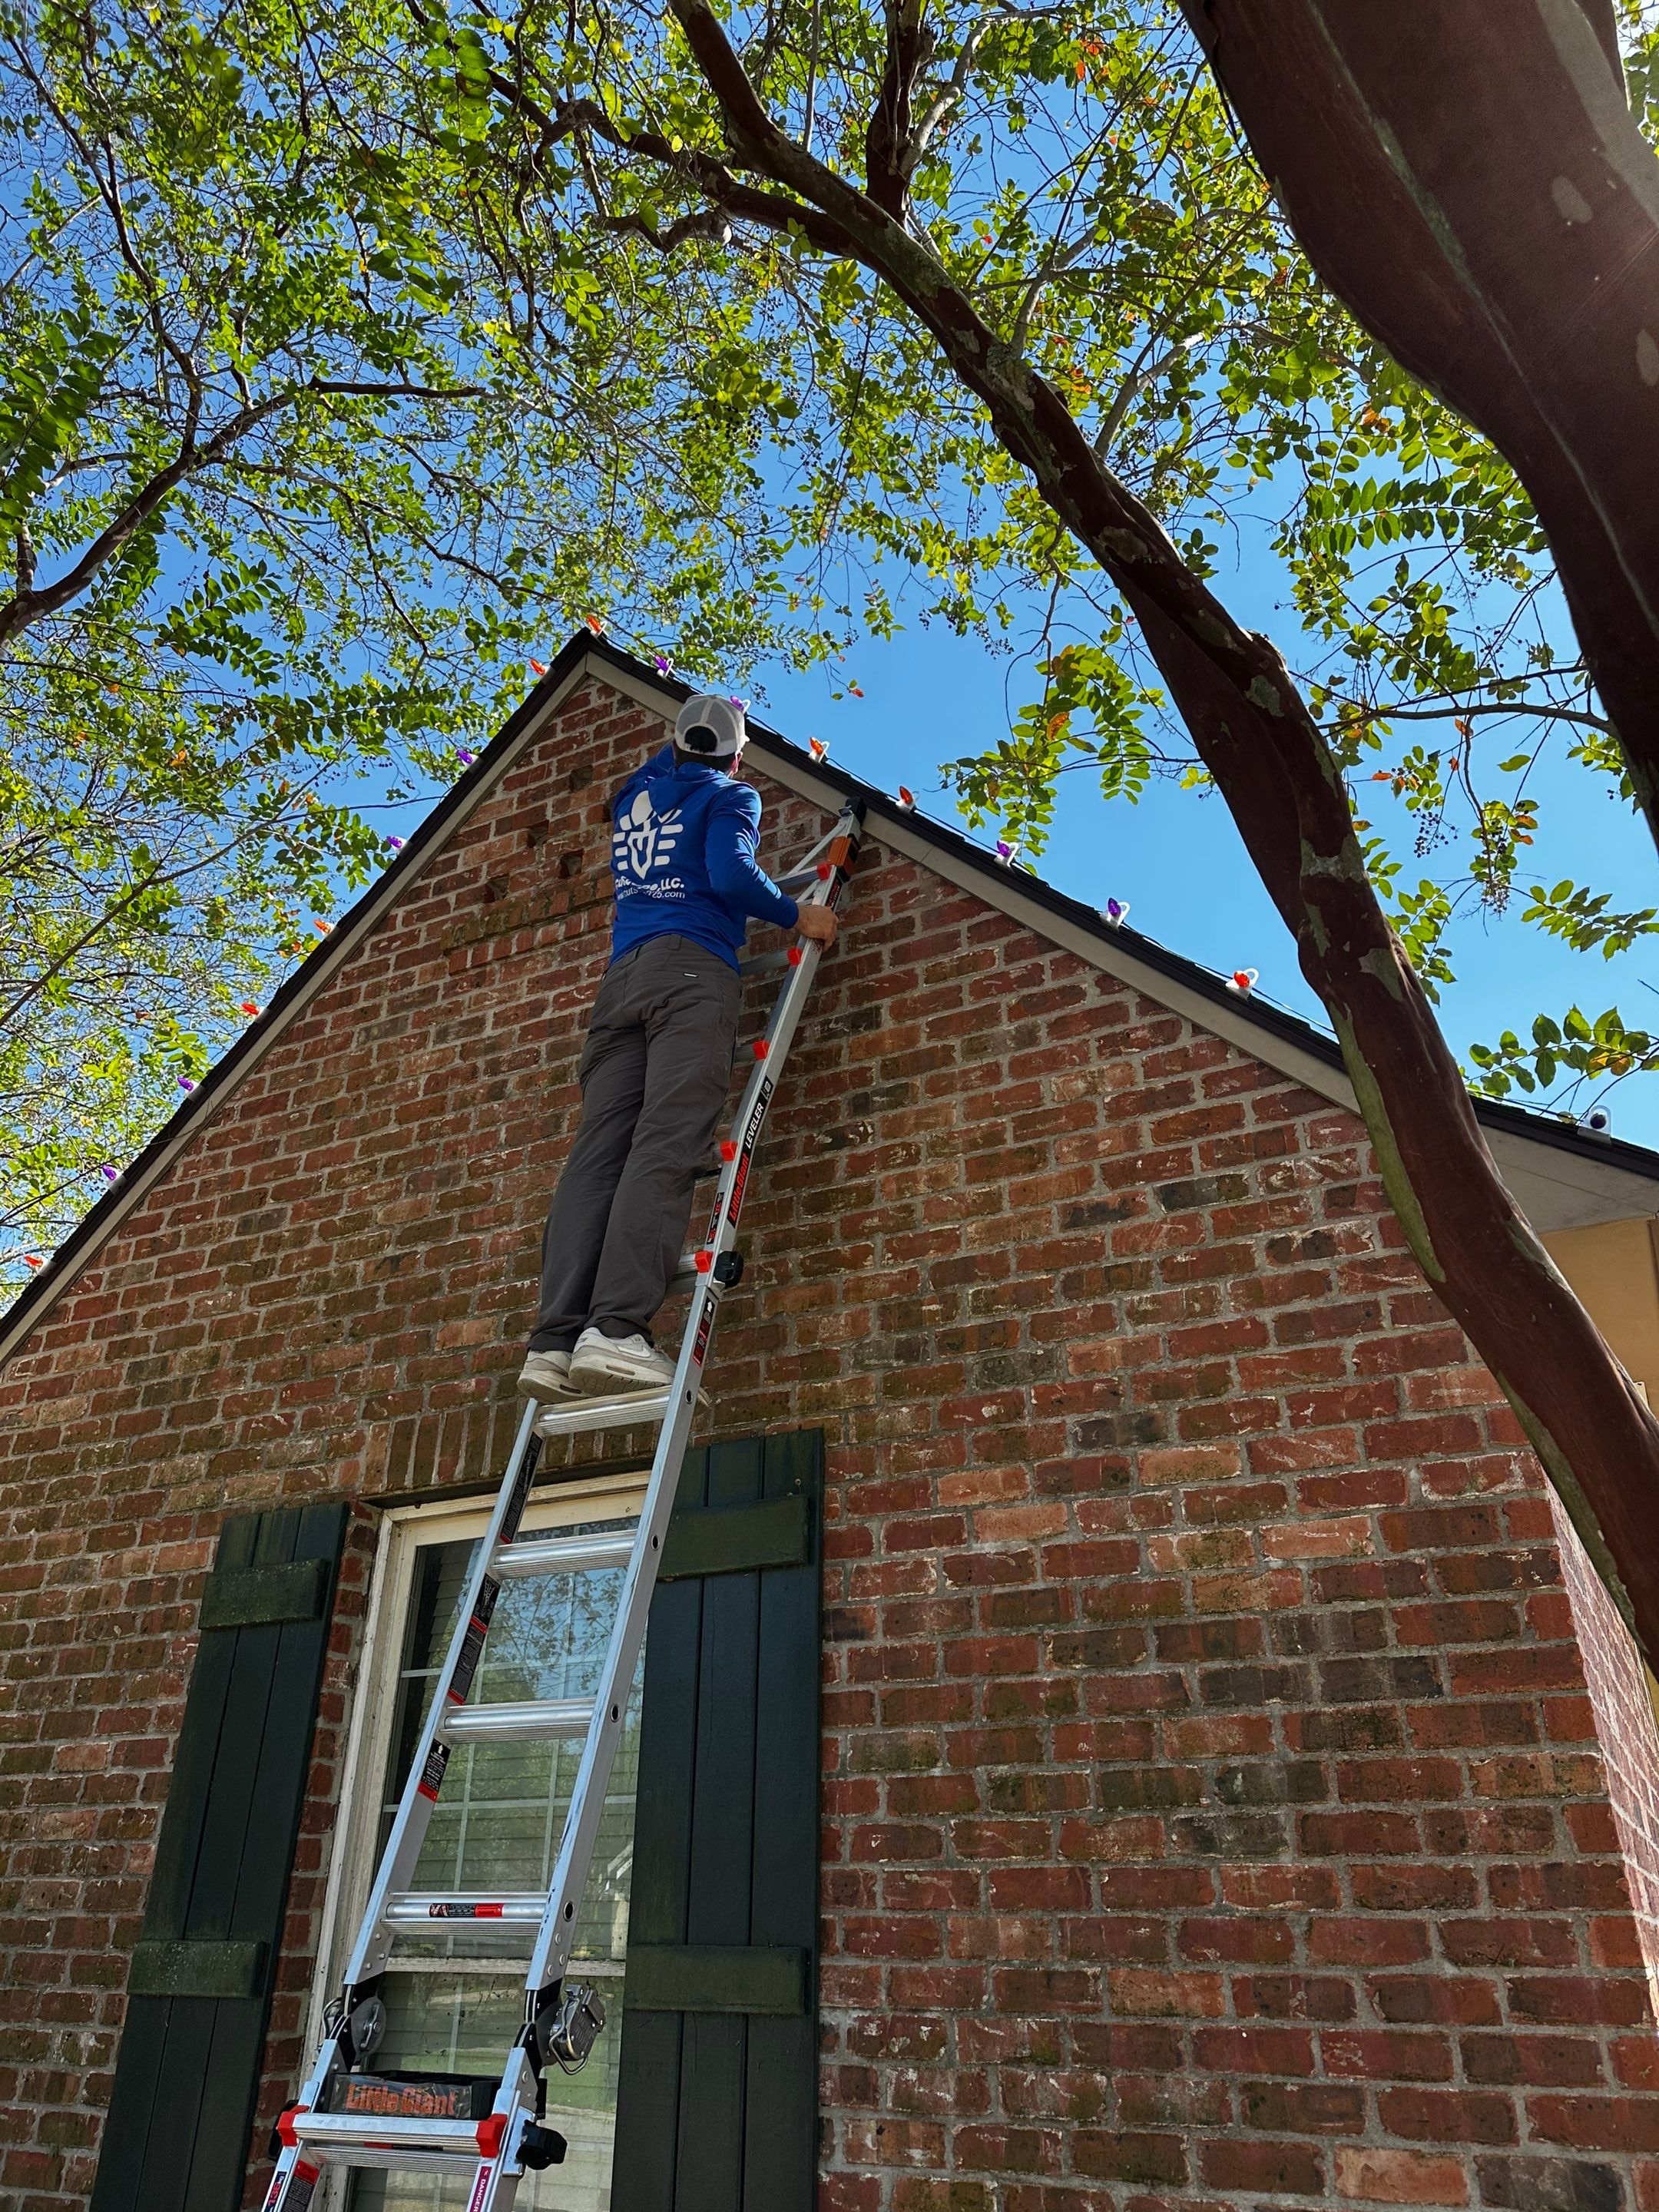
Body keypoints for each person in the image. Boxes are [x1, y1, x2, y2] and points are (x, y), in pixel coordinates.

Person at [519, 692, 838, 1400]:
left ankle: (553, 1340)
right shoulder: (731, 795)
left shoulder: (639, 790)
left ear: (676, 742)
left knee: (595, 1157)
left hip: (621, 982)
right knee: (665, 1142)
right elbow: (728, 874)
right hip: (690, 973)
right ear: (735, 752)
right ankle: (618, 1331)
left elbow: (659, 801)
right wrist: (796, 913)